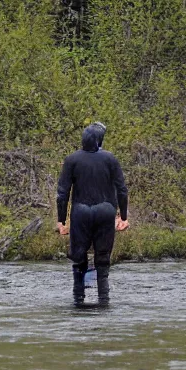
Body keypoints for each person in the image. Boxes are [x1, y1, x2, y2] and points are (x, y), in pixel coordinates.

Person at [56, 122, 129, 306]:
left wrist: (61, 221)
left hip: (80, 212)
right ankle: (104, 300)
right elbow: (122, 190)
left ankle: (78, 300)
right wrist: (124, 217)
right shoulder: (110, 159)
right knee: (102, 260)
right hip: (106, 211)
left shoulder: (71, 160)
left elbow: (62, 194)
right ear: (98, 141)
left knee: (79, 259)